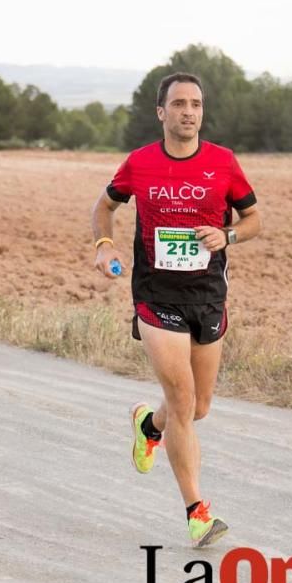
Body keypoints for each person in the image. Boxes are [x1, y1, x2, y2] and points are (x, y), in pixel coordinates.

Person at [91, 72, 262, 547]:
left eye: (197, 104)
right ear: (161, 112)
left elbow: (254, 220)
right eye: (179, 103)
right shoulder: (140, 163)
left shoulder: (223, 163)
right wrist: (104, 245)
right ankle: (197, 513)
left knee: (198, 407)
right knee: (183, 399)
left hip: (207, 295)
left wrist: (225, 236)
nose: (189, 111)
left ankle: (150, 425)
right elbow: (103, 207)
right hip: (155, 296)